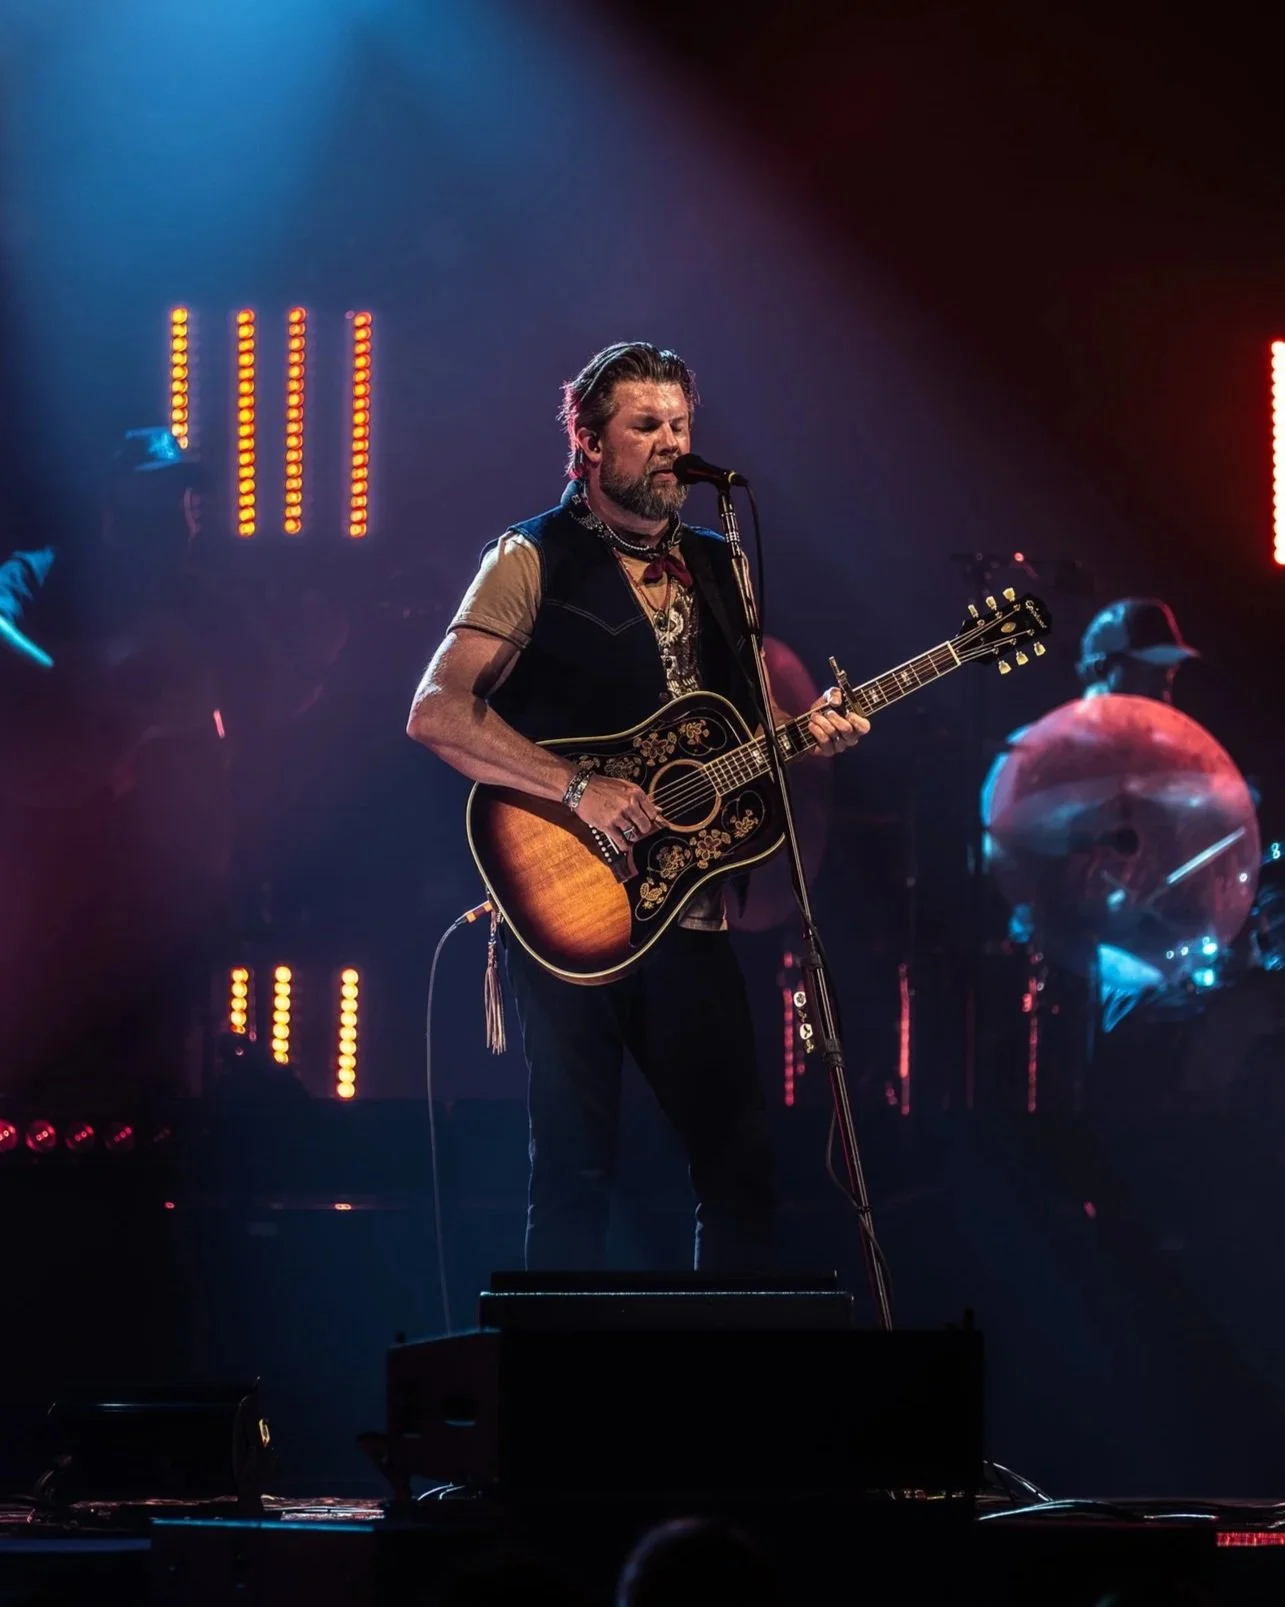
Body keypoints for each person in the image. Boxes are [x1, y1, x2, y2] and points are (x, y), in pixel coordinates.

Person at [407, 341, 866, 1271]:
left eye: (680, 426)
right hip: (566, 906)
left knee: (738, 1168)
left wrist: (807, 731)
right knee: (575, 1175)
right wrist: (575, 785)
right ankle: (548, 1406)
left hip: (689, 916)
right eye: (645, 426)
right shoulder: (529, 555)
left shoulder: (718, 562)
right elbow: (436, 710)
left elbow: (735, 729)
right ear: (587, 439)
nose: (669, 445)